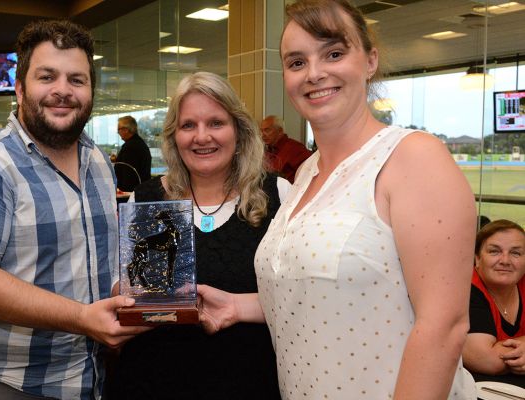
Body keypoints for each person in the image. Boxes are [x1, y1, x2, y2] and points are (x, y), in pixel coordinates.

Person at [198, 1, 478, 398]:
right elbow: (320, 291)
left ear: (370, 60)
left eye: (333, 53)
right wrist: (235, 306)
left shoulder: (412, 157)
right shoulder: (308, 173)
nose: (314, 73)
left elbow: (444, 327)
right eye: (297, 62)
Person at [0, 19, 147, 400]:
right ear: (19, 88)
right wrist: (83, 318)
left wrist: (131, 301)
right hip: (3, 383)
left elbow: (97, 259)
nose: (62, 91)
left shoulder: (98, 161)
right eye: (47, 76)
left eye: (77, 80)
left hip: (88, 378)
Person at [111, 71, 289, 400]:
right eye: (188, 125)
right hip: (152, 380)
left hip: (247, 381)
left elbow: (299, 298)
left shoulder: (276, 194)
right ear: (174, 136)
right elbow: (125, 291)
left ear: (238, 129)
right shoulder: (147, 199)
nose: (201, 137)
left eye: (216, 123)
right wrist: (128, 291)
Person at [463, 219, 525, 387]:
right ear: (477, 258)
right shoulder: (466, 289)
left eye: (516, 253)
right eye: (494, 251)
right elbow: (486, 360)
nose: (505, 260)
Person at [261, 115, 312, 183]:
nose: (262, 134)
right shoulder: (266, 150)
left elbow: (310, 174)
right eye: (261, 131)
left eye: (267, 130)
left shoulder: (295, 148)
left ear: (280, 131)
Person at [115, 115, 152, 192]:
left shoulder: (130, 147)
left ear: (126, 130)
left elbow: (129, 175)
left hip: (131, 194)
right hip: (140, 190)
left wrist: (123, 193)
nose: (118, 132)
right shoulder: (138, 143)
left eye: (119, 129)